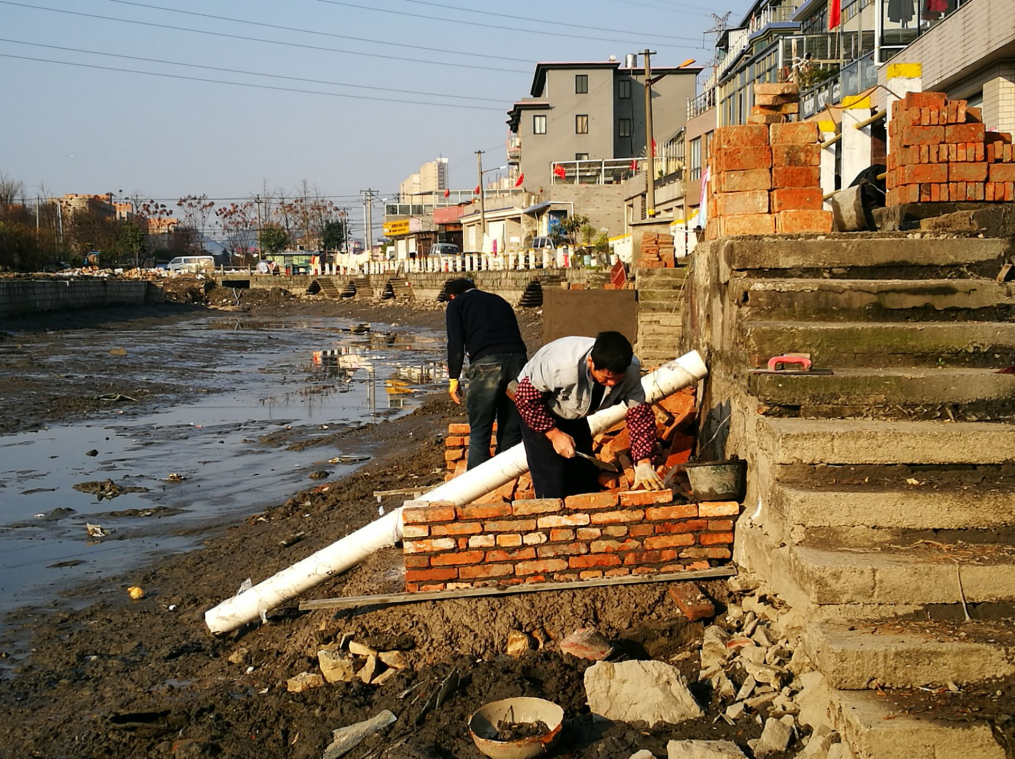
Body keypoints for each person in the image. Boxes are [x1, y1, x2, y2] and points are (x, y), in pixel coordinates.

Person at [513, 331, 665, 499]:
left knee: (584, 472)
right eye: (607, 378)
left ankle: (584, 518)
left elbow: (640, 416)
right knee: (552, 475)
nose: (612, 383)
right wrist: (554, 434)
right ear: (591, 362)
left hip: (575, 410)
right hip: (539, 406)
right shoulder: (559, 366)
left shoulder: (631, 370)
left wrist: (644, 462)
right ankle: (551, 518)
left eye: (617, 379)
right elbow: (525, 400)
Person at [445, 278, 528, 470]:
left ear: (452, 296)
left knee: (481, 428)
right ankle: (507, 477)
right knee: (511, 428)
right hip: (519, 363)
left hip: (487, 366)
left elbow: (455, 343)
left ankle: (478, 482)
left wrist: (453, 379)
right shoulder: (499, 300)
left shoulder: (456, 304)